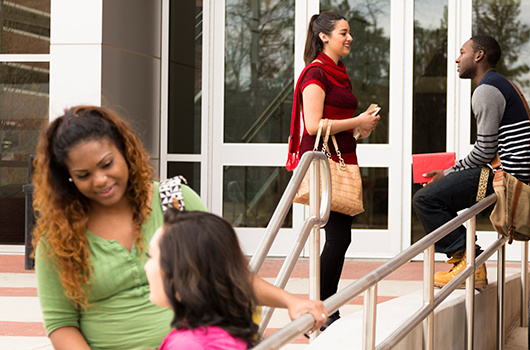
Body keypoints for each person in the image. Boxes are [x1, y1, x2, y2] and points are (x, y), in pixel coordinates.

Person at [33, 106, 326, 350]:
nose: (100, 180)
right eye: (83, 175)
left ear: (124, 151)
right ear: (67, 178)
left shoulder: (174, 201)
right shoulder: (57, 237)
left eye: (107, 164)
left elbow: (227, 273)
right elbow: (61, 324)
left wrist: (290, 301)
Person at [412, 35, 530, 289]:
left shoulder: (487, 90)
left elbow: (484, 150)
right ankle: (467, 260)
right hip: (504, 175)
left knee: (426, 199)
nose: (457, 58)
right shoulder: (500, 85)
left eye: (462, 52)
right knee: (440, 195)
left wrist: (447, 173)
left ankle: (469, 260)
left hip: (503, 179)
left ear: (479, 56)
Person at [286, 11, 380, 330]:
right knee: (338, 237)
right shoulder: (316, 73)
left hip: (341, 157)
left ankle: (328, 307)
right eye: (343, 32)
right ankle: (326, 310)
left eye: (349, 32)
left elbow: (334, 126)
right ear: (324, 37)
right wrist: (358, 121)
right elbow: (313, 126)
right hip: (324, 164)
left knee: (340, 238)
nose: (349, 37)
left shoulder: (340, 71)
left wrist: (358, 129)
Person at [145, 209, 258, 349]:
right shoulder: (229, 335)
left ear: (181, 279)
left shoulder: (187, 345)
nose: (145, 267)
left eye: (150, 256)